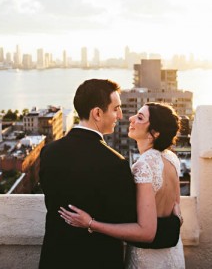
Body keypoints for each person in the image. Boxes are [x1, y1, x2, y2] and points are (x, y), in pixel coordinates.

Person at [39, 79, 180, 269]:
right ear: (97, 113)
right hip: (99, 261)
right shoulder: (115, 164)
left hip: (55, 258)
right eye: (116, 109)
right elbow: (137, 227)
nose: (120, 115)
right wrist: (174, 224)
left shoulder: (48, 152)